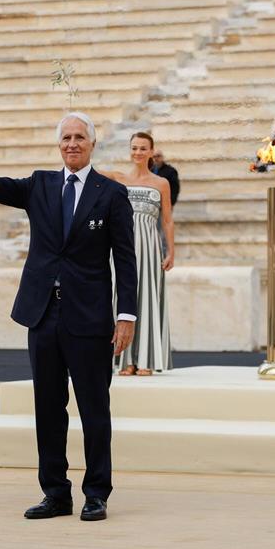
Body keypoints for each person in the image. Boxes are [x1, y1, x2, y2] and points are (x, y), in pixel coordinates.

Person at [0, 112, 137, 522]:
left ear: (93, 144)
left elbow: (126, 261)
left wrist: (126, 316)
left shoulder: (112, 194)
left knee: (94, 408)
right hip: (43, 314)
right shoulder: (41, 185)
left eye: (80, 137)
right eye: (66, 138)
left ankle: (96, 492)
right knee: (48, 408)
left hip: (90, 318)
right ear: (58, 145)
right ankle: (55, 493)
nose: (72, 144)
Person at [99, 132, 174, 377]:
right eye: (134, 148)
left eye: (143, 148)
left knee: (147, 299)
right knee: (122, 299)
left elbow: (167, 221)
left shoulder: (161, 183)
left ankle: (146, 360)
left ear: (151, 152)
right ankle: (124, 360)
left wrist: (170, 251)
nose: (138, 152)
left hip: (151, 248)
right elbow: (88, 171)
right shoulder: (119, 178)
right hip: (123, 247)